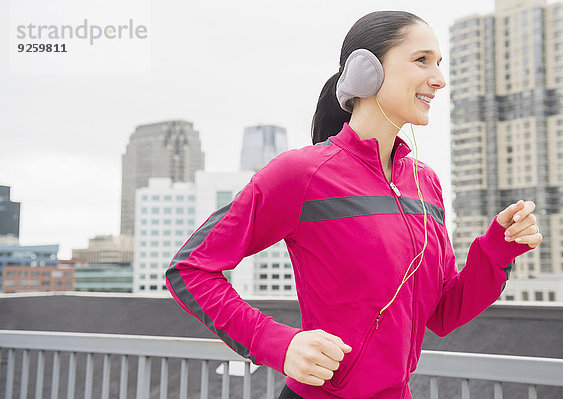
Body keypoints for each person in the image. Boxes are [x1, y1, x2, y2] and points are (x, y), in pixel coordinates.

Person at [165, 10, 543, 399]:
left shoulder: (423, 182)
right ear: (366, 70)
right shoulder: (302, 173)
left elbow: (444, 313)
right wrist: (275, 342)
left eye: (439, 64)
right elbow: (190, 269)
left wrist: (498, 249)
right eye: (421, 60)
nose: (439, 79)